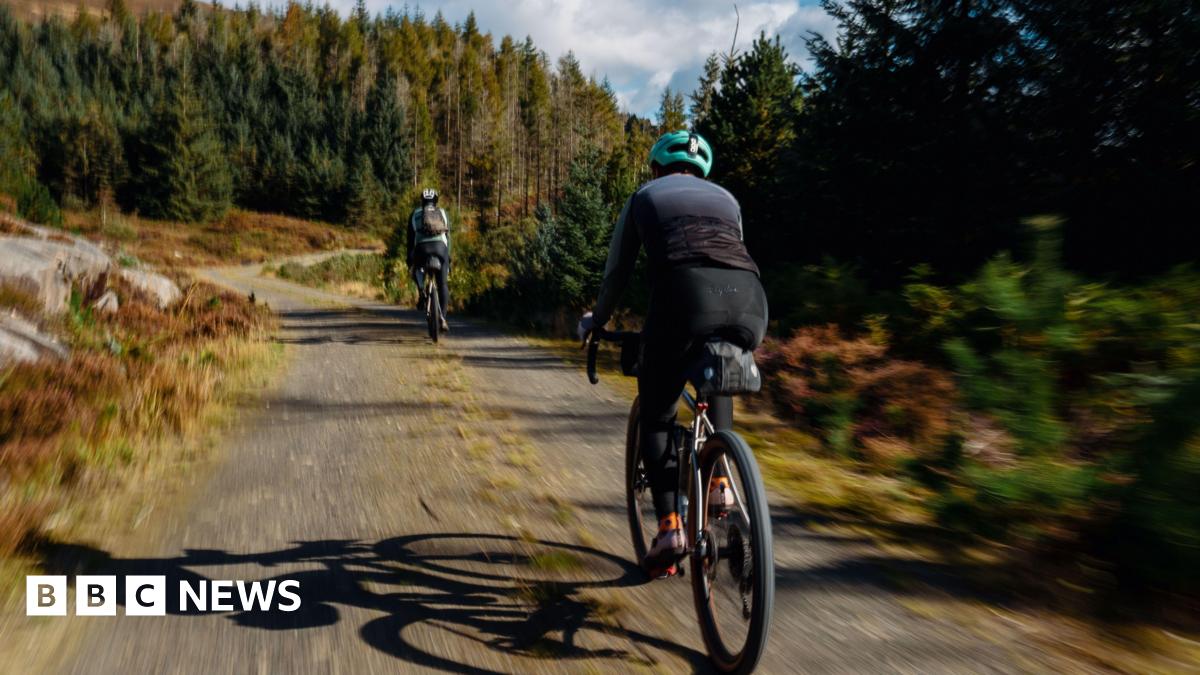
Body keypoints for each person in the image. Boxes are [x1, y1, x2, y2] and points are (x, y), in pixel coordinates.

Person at [578, 130, 769, 577]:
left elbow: (616, 274)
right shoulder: (728, 199)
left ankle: (669, 528)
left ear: (657, 168)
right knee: (718, 365)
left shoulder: (644, 197)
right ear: (702, 171)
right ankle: (721, 480)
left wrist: (597, 319)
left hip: (684, 299)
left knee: (657, 413)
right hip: (750, 301)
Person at [408, 188, 451, 331]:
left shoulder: (415, 214)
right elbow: (448, 238)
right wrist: (448, 258)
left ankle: (421, 291)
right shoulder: (443, 213)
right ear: (436, 201)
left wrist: (409, 259)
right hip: (441, 249)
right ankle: (443, 318)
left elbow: (410, 240)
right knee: (443, 284)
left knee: (416, 268)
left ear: (422, 201)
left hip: (421, 250)